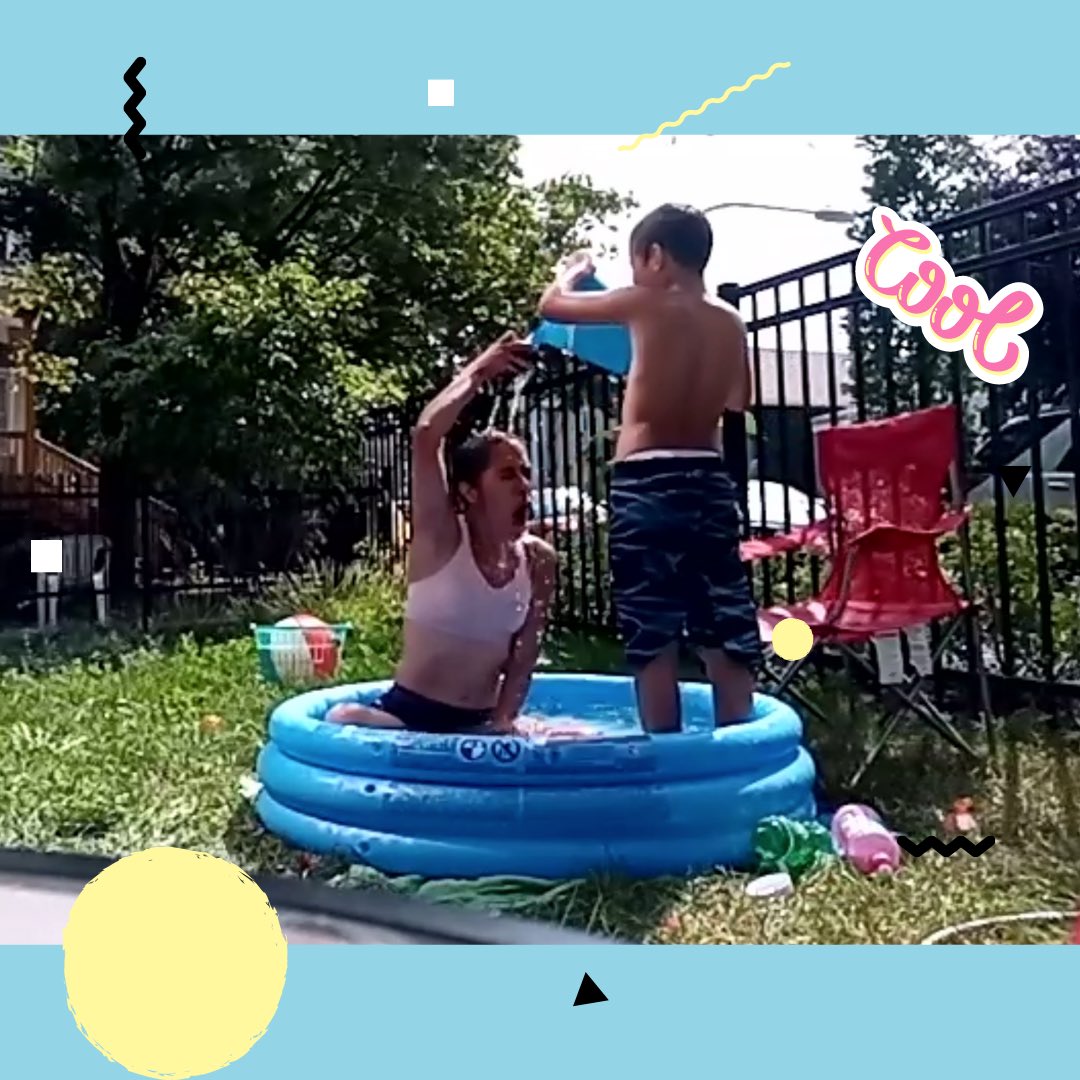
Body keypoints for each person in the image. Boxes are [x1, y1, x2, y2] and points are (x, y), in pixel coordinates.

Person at [537, 203, 761, 733]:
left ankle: (663, 753)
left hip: (647, 479)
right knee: (724, 615)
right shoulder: (731, 321)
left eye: (636, 261)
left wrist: (572, 271)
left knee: (652, 620)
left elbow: (553, 306)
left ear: (655, 256)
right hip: (709, 480)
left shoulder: (645, 301)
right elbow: (739, 399)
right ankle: (737, 747)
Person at [327, 333, 567, 736]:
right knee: (344, 719)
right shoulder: (442, 539)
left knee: (580, 740)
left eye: (526, 473)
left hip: (480, 721)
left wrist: (503, 722)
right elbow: (425, 437)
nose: (524, 485)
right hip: (409, 717)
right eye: (507, 474)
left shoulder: (539, 560)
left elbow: (526, 654)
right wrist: (478, 371)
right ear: (469, 492)